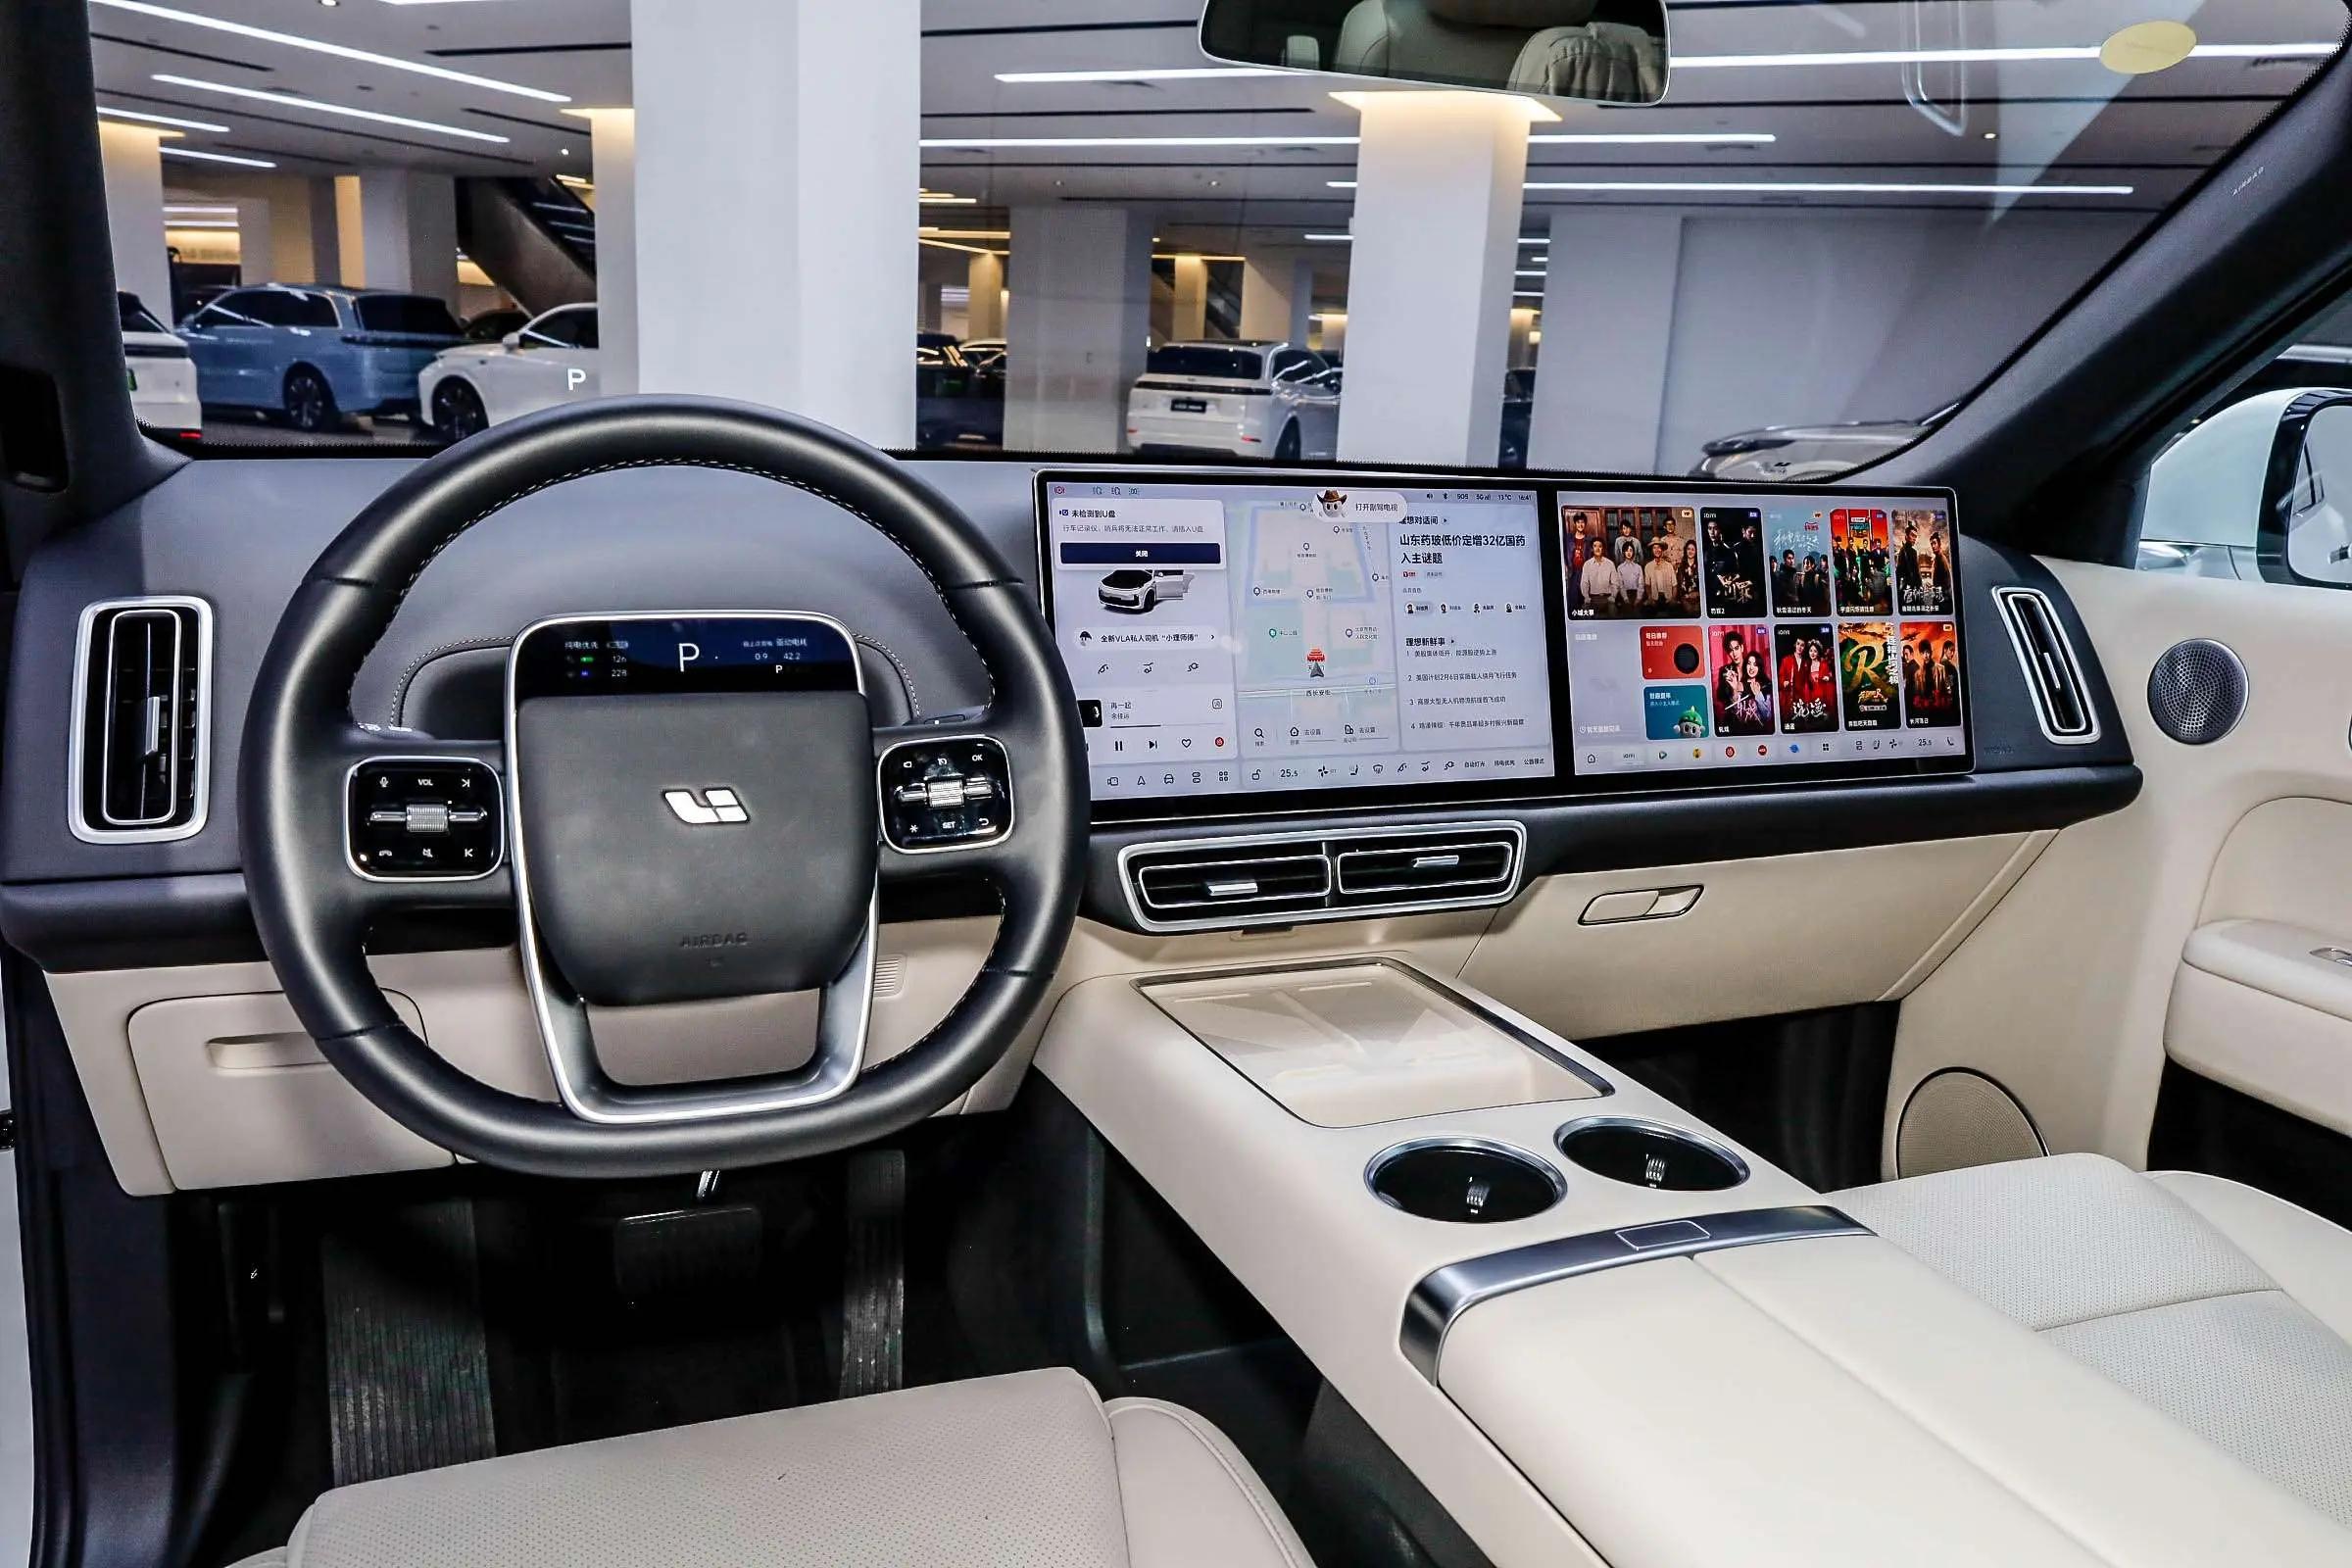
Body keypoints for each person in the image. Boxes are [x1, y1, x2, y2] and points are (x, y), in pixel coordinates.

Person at [1579, 536, 1620, 609]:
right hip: (1592, 598)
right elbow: (1584, 583)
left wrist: (1613, 596)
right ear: (1592, 549)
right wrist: (1586, 597)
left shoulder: (1610, 563)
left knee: (1613, 611)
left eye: (1600, 546)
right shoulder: (1587, 564)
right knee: (1586, 612)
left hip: (1608, 597)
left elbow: (1615, 583)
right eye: (1595, 546)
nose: (1597, 549)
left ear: (1603, 549)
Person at [1643, 537, 1680, 606]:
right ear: (1652, 550)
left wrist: (1673, 598)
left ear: (1662, 549)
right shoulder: (1648, 566)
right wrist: (1650, 598)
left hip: (1668, 598)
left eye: (1659, 547)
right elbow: (1647, 585)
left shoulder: (1669, 566)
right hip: (1655, 599)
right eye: (1654, 548)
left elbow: (1675, 585)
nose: (1657, 550)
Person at [1895, 522, 1923, 607]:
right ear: (1906, 536)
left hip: (1908, 589)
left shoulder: (1904, 550)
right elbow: (1916, 573)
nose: (1914, 538)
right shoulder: (1909, 552)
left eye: (1915, 536)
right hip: (1910, 588)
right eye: (1912, 535)